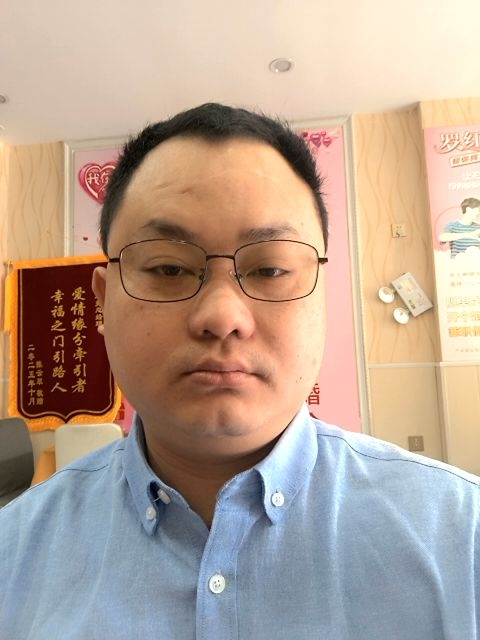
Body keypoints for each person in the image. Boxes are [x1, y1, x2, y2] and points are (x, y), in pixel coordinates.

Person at [0, 103, 478, 639]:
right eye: (168, 267)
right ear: (102, 303)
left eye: (269, 268)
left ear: (320, 294)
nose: (222, 316)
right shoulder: (12, 555)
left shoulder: (462, 539)